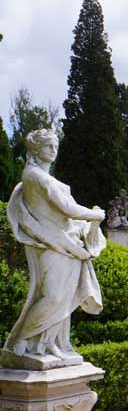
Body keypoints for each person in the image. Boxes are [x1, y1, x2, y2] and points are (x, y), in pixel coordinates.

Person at [2, 129, 105, 369]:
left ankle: (48, 344)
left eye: (55, 145)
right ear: (35, 150)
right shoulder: (35, 176)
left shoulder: (39, 175)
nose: (54, 150)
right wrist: (95, 214)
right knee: (53, 296)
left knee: (63, 297)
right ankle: (22, 338)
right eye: (49, 146)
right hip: (52, 243)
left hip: (64, 243)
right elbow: (67, 208)